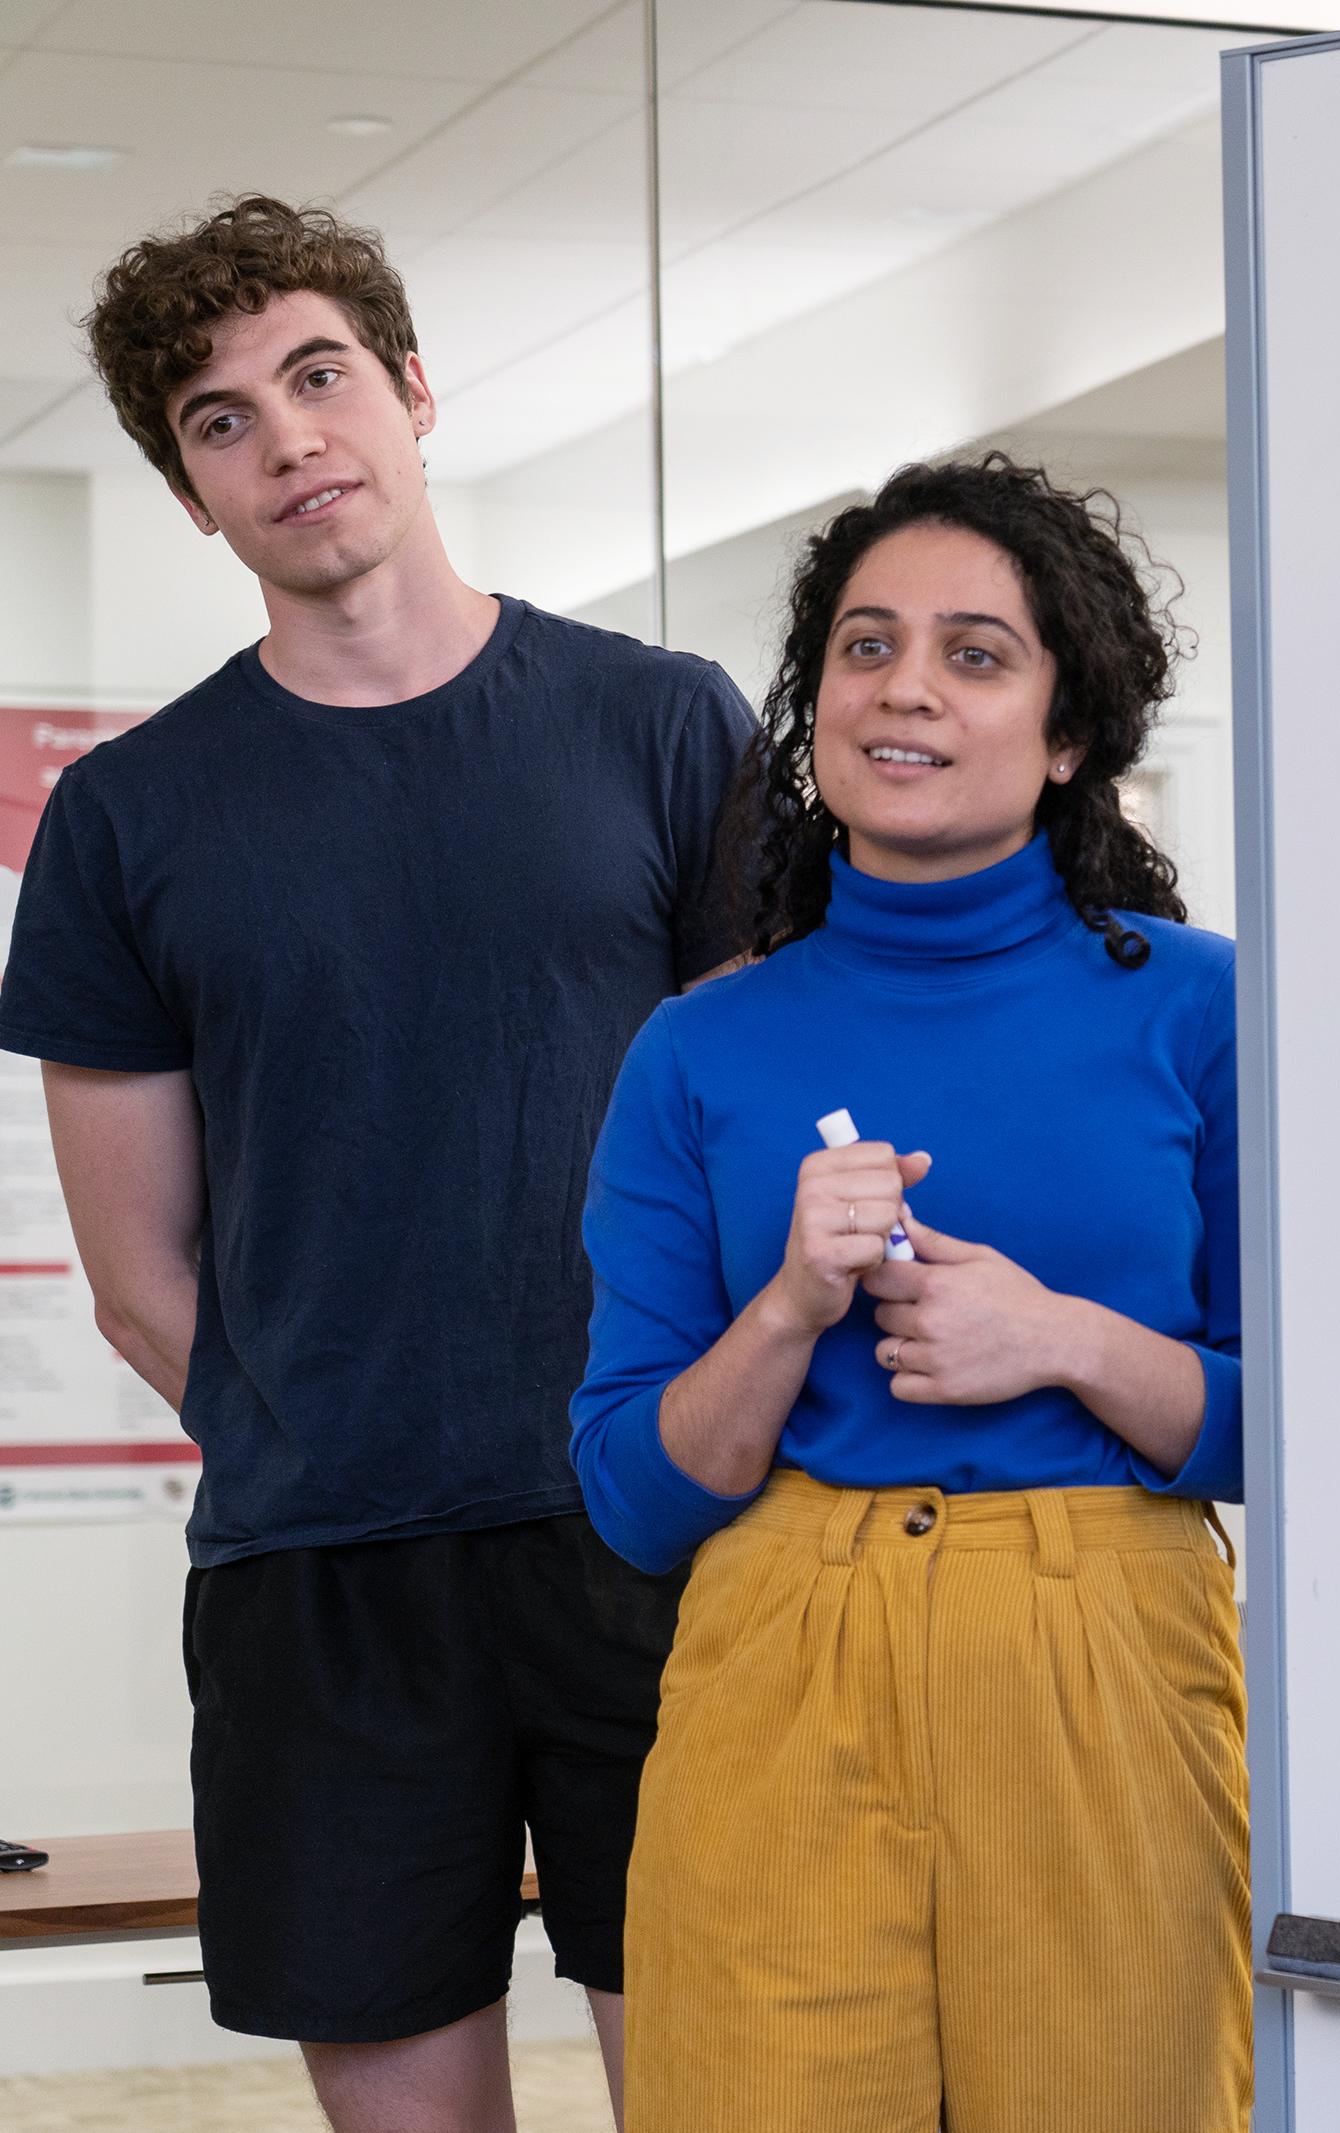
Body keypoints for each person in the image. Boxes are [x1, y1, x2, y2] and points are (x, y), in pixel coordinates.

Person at [0, 196, 751, 2133]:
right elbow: (142, 1276)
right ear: (191, 491)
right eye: (221, 419)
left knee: (726, 2084)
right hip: (322, 1573)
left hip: (652, 1531)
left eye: (319, 375)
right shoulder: (128, 815)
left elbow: (758, 1144)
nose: (288, 437)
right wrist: (308, 1433)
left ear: (413, 391)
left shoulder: (660, 724)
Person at [571, 453, 1251, 2133]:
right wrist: (788, 1306)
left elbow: (1304, 1431)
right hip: (780, 1660)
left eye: (975, 652)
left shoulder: (1205, 1012)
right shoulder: (701, 1046)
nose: (907, 690)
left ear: (1069, 727)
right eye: (866, 647)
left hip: (1104, 1649)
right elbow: (631, 1494)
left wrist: (1068, 1341)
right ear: (817, 708)